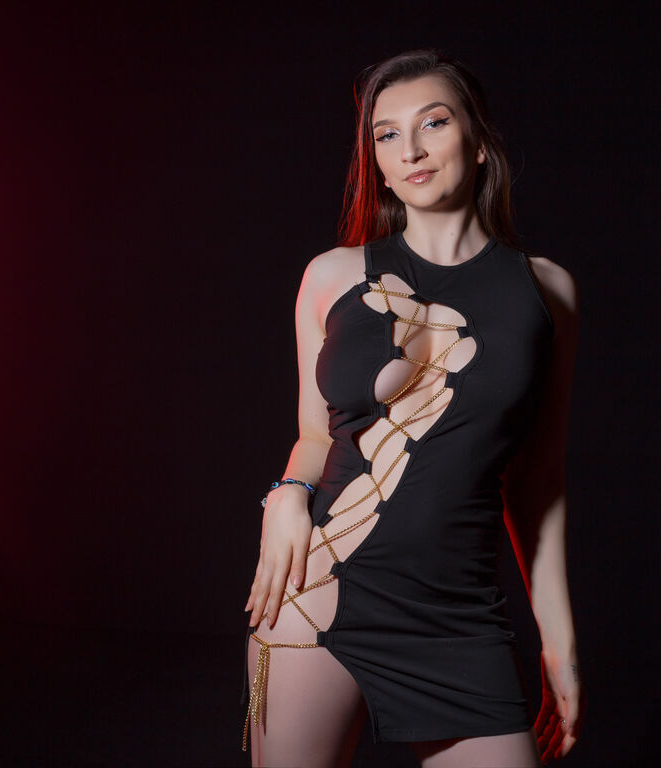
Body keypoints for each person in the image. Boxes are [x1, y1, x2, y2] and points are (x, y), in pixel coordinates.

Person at [241, 48, 585, 768]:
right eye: (386, 134)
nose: (411, 149)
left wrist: (559, 644)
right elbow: (314, 436)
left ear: (479, 142)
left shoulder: (546, 291)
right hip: (320, 590)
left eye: (433, 122)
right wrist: (287, 494)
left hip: (459, 618)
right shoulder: (331, 275)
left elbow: (539, 484)